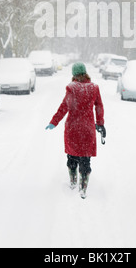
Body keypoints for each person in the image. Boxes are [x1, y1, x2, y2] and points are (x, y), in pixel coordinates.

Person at [46, 62, 105, 199]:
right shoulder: (94, 88)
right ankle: (83, 187)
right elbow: (99, 107)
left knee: (72, 157)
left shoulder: (71, 88)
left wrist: (54, 122)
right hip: (87, 129)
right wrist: (100, 123)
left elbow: (63, 107)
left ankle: (73, 181)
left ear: (73, 74)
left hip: (73, 128)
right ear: (86, 73)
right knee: (85, 159)